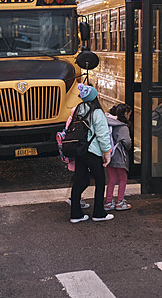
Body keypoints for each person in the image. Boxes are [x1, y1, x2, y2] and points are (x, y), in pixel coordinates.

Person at [69, 83, 114, 223]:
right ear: (95, 97)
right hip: (92, 151)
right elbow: (102, 135)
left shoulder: (78, 109)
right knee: (100, 180)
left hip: (79, 150)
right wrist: (107, 152)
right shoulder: (97, 112)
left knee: (78, 180)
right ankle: (99, 213)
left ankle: (76, 214)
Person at [104, 104, 133, 211]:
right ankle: (120, 202)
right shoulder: (122, 126)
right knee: (122, 178)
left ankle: (108, 202)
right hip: (119, 155)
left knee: (111, 179)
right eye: (129, 114)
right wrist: (128, 147)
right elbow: (127, 142)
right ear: (125, 114)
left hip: (109, 155)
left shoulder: (108, 122)